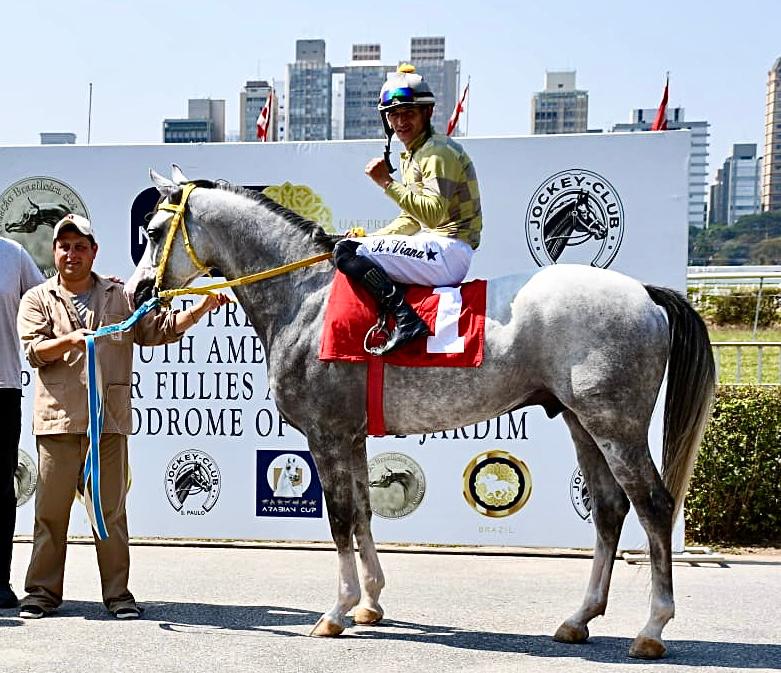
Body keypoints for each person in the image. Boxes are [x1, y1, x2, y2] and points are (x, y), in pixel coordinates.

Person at [16, 214, 228, 619]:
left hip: (108, 424)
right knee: (50, 515)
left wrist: (199, 309)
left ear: (94, 251)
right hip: (58, 423)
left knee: (109, 513)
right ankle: (41, 594)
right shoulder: (37, 299)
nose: (72, 254)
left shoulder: (121, 295)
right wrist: (71, 340)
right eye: (65, 246)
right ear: (54, 251)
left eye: (81, 246)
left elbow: (156, 332)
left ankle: (118, 596)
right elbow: (34, 352)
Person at [334, 64, 483, 355]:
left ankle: (406, 319)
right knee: (352, 247)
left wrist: (386, 183)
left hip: (449, 251)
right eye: (393, 115)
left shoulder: (437, 153)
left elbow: (432, 214)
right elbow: (410, 220)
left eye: (408, 113)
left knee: (346, 253)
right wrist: (370, 240)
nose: (400, 122)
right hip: (440, 247)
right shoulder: (416, 152)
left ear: (427, 113)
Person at [0, 237, 45, 609]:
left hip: (2, 387)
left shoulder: (12, 254)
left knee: (1, 490)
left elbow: (49, 299)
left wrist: (97, 287)